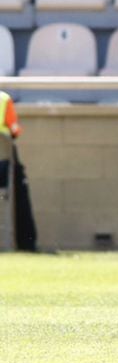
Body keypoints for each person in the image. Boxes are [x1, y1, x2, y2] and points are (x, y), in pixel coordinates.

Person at [0, 90, 36, 252]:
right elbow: (14, 129)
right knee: (19, 191)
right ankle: (26, 243)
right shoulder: (3, 98)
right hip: (3, 165)